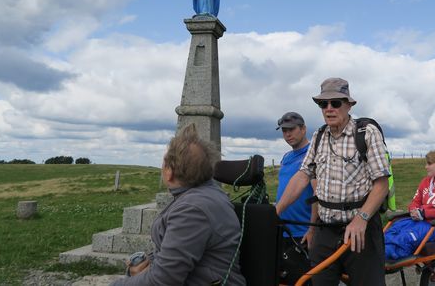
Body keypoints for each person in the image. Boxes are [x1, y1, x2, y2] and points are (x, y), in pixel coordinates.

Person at [275, 77, 390, 286]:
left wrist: (362, 218)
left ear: (348, 104)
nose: (329, 108)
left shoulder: (366, 133)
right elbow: (302, 176)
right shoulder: (319, 136)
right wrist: (276, 210)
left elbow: (381, 185)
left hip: (359, 229)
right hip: (325, 230)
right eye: (323, 104)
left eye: (335, 103)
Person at [112, 124, 246, 285]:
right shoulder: (206, 195)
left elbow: (162, 281)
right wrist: (152, 261)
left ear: (169, 172)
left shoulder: (192, 210)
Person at [276, 111, 317, 245]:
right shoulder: (286, 157)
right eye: (284, 130)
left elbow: (317, 194)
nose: (288, 134)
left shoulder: (313, 154)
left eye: (292, 129)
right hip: (283, 228)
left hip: (303, 231)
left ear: (303, 129)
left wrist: (312, 229)